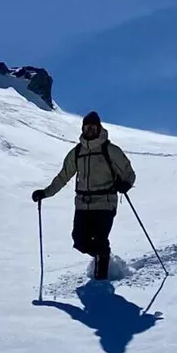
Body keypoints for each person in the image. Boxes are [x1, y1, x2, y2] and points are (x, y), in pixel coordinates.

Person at [32, 111, 136, 280]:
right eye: (86, 127)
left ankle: (101, 279)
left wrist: (125, 184)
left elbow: (128, 172)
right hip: (82, 204)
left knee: (101, 239)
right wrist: (45, 193)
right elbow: (63, 176)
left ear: (99, 127)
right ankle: (103, 255)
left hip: (105, 203)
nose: (89, 130)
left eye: (93, 127)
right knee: (79, 241)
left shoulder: (110, 150)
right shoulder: (77, 152)